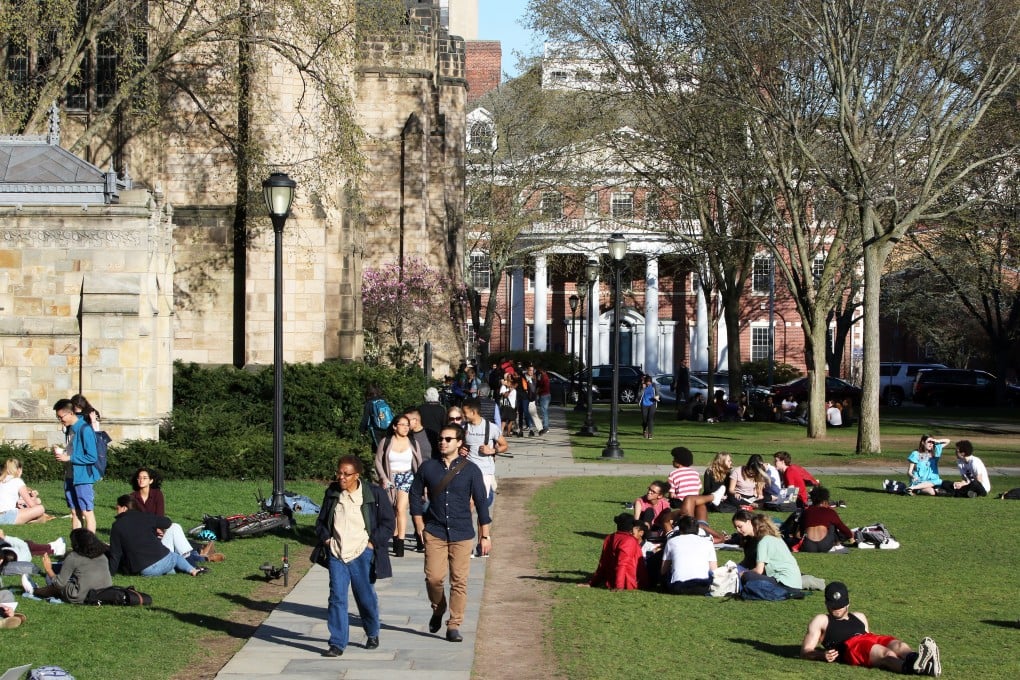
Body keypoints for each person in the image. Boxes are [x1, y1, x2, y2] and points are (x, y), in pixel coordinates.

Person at [410, 424, 492, 643]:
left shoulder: (471, 470)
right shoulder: (428, 467)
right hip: (435, 531)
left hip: (462, 533)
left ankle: (454, 624)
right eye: (441, 439)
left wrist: (485, 535)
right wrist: (418, 522)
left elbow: (482, 504)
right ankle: (439, 608)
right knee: (434, 578)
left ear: (459, 443)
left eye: (448, 439)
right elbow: (415, 493)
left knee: (459, 581)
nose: (443, 442)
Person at [315, 454, 395, 657]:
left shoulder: (373, 494)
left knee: (365, 597)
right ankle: (337, 643)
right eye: (339, 473)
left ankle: (372, 632)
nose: (341, 477)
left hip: (362, 554)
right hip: (337, 554)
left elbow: (388, 523)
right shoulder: (332, 493)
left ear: (356, 475)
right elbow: (321, 522)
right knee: (337, 598)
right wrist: (327, 540)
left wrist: (371, 544)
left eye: (346, 474)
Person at [801, 581, 942, 676]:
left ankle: (924, 664)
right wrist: (821, 655)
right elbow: (805, 651)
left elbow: (869, 638)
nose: (837, 610)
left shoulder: (859, 616)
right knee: (886, 654)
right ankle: (919, 667)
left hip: (869, 638)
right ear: (826, 603)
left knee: (899, 645)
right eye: (833, 606)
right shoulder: (821, 620)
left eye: (840, 605)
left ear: (848, 603)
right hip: (850, 647)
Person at [107, 495, 207, 577]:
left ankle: (178, 568)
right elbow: (167, 523)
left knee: (167, 568)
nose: (117, 510)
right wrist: (155, 526)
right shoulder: (145, 517)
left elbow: (115, 554)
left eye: (117, 508)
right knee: (175, 557)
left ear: (124, 508)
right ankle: (193, 570)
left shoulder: (117, 526)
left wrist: (110, 574)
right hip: (161, 558)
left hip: (144, 569)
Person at [374, 414, 423, 558]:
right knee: (392, 510)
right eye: (402, 424)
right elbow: (378, 461)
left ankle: (400, 543)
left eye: (407, 425)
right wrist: (383, 478)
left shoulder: (413, 442)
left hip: (407, 477)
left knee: (401, 508)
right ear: (395, 426)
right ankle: (395, 538)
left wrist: (421, 482)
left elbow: (419, 463)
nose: (405, 427)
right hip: (390, 478)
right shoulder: (386, 441)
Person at [24, 529, 113, 604]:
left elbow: (59, 584)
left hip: (81, 596)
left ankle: (34, 591)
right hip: (105, 592)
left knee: (58, 588)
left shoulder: (74, 557)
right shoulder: (102, 555)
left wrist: (48, 569)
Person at [53, 398, 100, 533]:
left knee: (87, 512)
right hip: (70, 475)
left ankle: (90, 546)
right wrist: (63, 453)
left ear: (71, 413)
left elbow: (92, 456)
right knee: (74, 512)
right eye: (58, 417)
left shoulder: (85, 429)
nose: (60, 420)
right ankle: (77, 546)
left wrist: (69, 457)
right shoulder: (71, 429)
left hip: (83, 477)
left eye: (61, 417)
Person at [734, 512, 802, 589]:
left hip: (782, 579)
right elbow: (748, 562)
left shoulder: (763, 541)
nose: (738, 530)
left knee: (747, 576)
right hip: (787, 577)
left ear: (752, 524)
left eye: (740, 526)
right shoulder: (772, 538)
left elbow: (759, 570)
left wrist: (743, 574)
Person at [578, 512, 645, 591]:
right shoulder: (629, 540)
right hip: (629, 582)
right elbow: (622, 564)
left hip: (612, 581)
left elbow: (603, 563)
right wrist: (619, 586)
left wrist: (592, 583)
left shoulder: (610, 537)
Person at [661, 515, 716, 595]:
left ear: (680, 529)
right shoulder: (708, 543)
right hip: (703, 588)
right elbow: (714, 570)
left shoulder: (672, 542)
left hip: (678, 588)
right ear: (698, 530)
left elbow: (663, 570)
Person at [668, 447, 726, 519]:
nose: (672, 461)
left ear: (678, 462)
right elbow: (697, 489)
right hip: (695, 501)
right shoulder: (695, 473)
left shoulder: (673, 474)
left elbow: (671, 494)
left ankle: (713, 497)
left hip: (680, 502)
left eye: (674, 459)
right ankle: (713, 497)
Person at [797, 487, 856, 553]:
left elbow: (801, 530)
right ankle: (837, 544)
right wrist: (851, 536)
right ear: (824, 501)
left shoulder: (806, 512)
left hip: (808, 546)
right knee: (832, 525)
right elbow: (842, 527)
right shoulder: (830, 512)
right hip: (825, 545)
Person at [0, 458, 47, 525]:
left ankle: (32, 519)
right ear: (19, 469)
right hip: (7, 516)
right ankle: (33, 520)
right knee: (40, 508)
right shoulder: (17, 481)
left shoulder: (1, 480)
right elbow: (31, 505)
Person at [418, 387, 447, 454]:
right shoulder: (442, 409)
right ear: (437, 396)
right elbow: (444, 425)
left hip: (423, 437)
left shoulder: (420, 409)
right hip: (437, 437)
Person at [639, 375, 660, 439]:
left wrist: (656, 397)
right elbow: (639, 395)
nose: (648, 384)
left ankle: (650, 433)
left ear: (651, 382)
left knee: (650, 419)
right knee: (645, 419)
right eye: (647, 383)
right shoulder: (642, 386)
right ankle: (645, 430)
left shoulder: (654, 385)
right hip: (644, 404)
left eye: (649, 383)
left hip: (652, 404)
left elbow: (657, 394)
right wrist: (643, 388)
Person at [535, 365, 551, 435]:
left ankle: (546, 427)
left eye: (540, 370)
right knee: (545, 411)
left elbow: (545, 387)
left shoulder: (544, 377)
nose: (539, 372)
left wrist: (538, 391)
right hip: (545, 395)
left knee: (544, 411)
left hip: (544, 395)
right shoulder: (543, 377)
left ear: (542, 370)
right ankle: (545, 426)